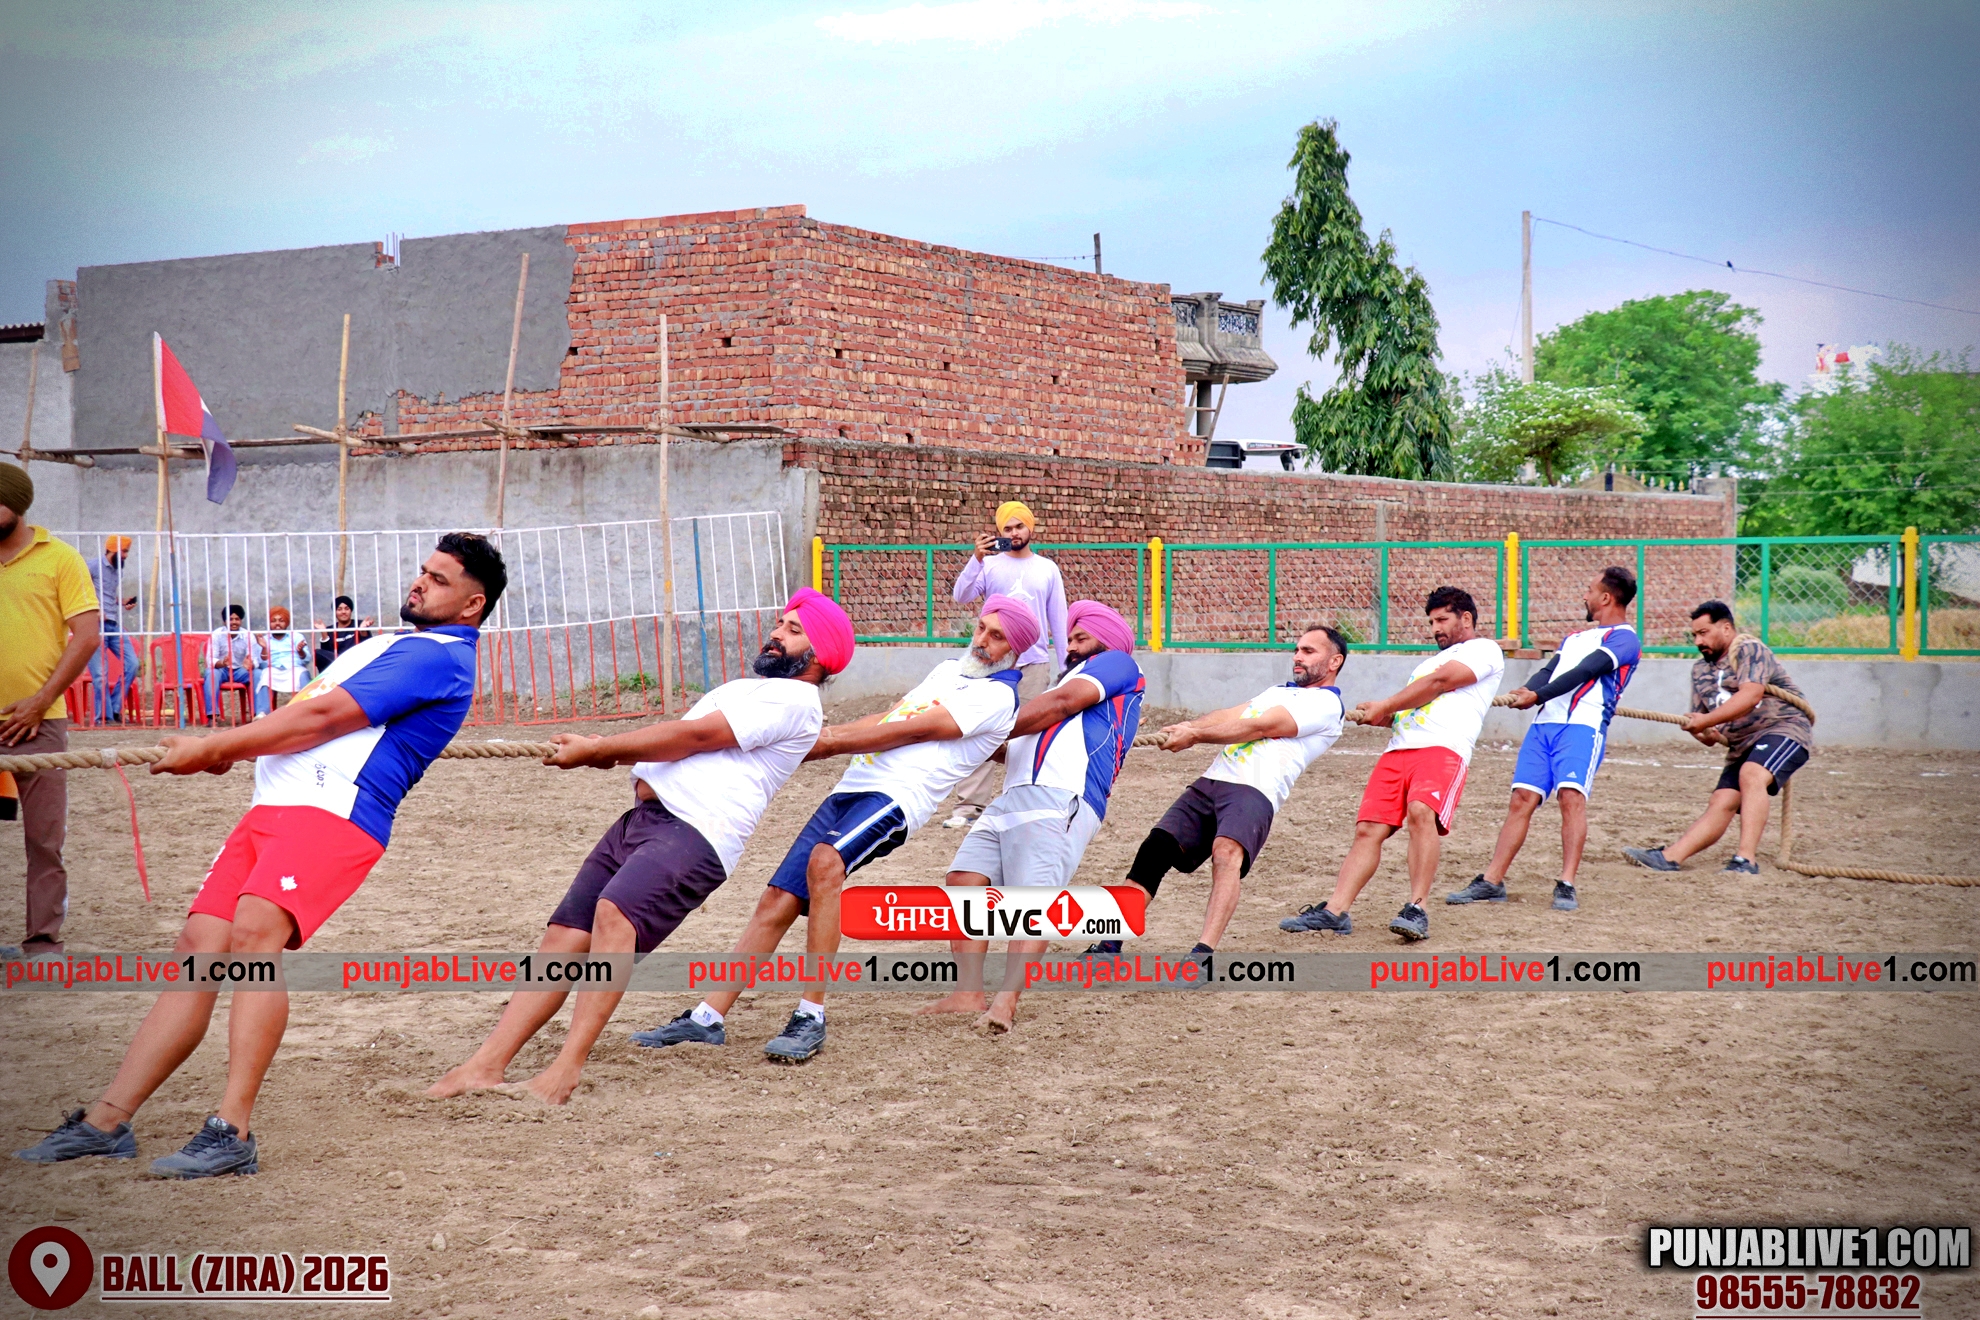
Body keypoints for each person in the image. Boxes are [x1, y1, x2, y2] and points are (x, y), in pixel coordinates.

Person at [16, 533, 504, 1177]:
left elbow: (324, 720)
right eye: (423, 571)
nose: (419, 583)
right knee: (199, 947)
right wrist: (235, 746)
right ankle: (107, 1121)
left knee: (252, 941)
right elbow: (307, 717)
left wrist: (217, 746)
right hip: (275, 808)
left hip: (333, 815)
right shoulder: (396, 645)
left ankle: (232, 1131)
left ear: (472, 605)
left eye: (439, 580)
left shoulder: (440, 656)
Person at [427, 588, 856, 1102]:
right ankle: (486, 1065)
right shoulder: (752, 689)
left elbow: (697, 738)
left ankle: (564, 1070)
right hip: (645, 821)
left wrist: (601, 750)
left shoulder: (794, 701)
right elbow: (682, 738)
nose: (776, 633)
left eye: (793, 630)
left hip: (697, 832)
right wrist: (606, 751)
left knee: (614, 916)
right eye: (780, 623)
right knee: (564, 936)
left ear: (821, 655)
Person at [632, 596, 1032, 1063]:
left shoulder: (998, 696)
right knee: (777, 897)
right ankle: (707, 1017)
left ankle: (811, 1015)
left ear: (1016, 650)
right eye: (981, 628)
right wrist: (821, 737)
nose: (982, 640)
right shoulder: (948, 670)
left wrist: (827, 742)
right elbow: (890, 718)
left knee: (826, 864)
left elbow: (917, 730)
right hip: (851, 787)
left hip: (896, 799)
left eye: (996, 636)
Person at [919, 600, 1144, 1030]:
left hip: (1061, 795)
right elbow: (1017, 744)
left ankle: (1005, 1004)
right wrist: (972, 739)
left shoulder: (1117, 664)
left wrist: (973, 723)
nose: (1070, 647)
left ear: (1108, 642)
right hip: (1013, 793)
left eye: (1080, 638)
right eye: (1069, 638)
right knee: (964, 879)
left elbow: (1061, 704)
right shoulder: (1063, 686)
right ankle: (968, 994)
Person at [1281, 587, 1505, 942]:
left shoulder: (1483, 650)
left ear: (1466, 618)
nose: (1435, 628)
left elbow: (1440, 683)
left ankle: (1417, 908)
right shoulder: (1427, 664)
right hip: (1399, 749)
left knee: (1420, 813)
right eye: (1431, 622)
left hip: (1442, 748)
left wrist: (1385, 705)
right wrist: (1387, 717)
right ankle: (1335, 911)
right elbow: (1418, 704)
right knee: (1368, 829)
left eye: (1442, 619)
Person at [1120, 625, 1349, 965]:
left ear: (1334, 661)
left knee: (1226, 854)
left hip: (1255, 789)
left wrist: (1196, 736)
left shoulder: (1327, 703)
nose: (1298, 657)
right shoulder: (1277, 692)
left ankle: (1202, 955)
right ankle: (1108, 945)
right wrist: (1189, 726)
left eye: (1309, 651)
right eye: (1297, 650)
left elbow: (1261, 726)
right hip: (1213, 780)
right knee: (1155, 849)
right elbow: (1231, 715)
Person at [1447, 566, 1641, 913]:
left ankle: (1566, 883)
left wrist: (1538, 696)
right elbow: (1551, 671)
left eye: (1589, 589)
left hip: (1583, 727)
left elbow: (1585, 672)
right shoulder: (1574, 638)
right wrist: (1527, 689)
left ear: (1605, 597)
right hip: (1544, 726)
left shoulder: (1625, 639)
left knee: (1570, 797)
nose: (1585, 596)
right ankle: (1492, 881)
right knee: (1521, 798)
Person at [1623, 601, 1814, 876]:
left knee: (1752, 774)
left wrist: (1706, 722)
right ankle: (1670, 857)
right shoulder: (1700, 670)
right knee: (1722, 800)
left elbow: (1751, 695)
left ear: (1726, 628)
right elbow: (1707, 728)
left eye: (1704, 633)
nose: (1698, 641)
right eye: (1694, 635)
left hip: (1783, 729)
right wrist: (1702, 731)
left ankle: (1746, 860)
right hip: (1741, 744)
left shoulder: (1749, 648)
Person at [0, 464, 102, 958]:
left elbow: (87, 636)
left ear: (16, 505)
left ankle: (42, 943)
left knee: (44, 840)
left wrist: (40, 702)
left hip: (40, 725)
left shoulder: (60, 558)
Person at [942, 500, 1067, 828]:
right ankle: (969, 806)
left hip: (1034, 663)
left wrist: (1066, 665)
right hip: (991, 662)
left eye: (1019, 526)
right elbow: (961, 596)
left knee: (1028, 734)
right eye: (1007, 528)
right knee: (979, 728)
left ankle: (1024, 803)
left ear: (1030, 528)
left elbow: (1058, 618)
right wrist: (976, 559)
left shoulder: (1047, 569)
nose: (1014, 533)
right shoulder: (990, 565)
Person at [87, 535, 141, 724]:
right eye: (124, 551)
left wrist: (122, 601)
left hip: (114, 623)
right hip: (95, 624)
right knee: (100, 674)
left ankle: (115, 708)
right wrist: (94, 610)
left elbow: (107, 595)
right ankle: (104, 717)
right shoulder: (92, 566)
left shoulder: (118, 570)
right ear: (112, 549)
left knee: (132, 664)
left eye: (127, 551)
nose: (126, 555)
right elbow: (79, 591)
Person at [204, 604, 268, 721]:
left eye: (237, 619)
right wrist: (222, 663)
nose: (234, 622)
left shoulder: (248, 635)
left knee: (258, 674)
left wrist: (250, 665)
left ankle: (259, 714)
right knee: (211, 673)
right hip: (221, 670)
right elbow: (210, 659)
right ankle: (212, 715)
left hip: (241, 670)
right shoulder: (217, 634)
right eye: (230, 619)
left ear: (241, 621)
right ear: (224, 621)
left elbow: (254, 659)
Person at [258, 606, 311, 709]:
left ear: (287, 623)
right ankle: (263, 713)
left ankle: (306, 710)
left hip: (295, 669)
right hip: (273, 670)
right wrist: (264, 649)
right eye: (273, 621)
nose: (277, 624)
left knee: (303, 675)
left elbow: (307, 659)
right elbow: (261, 662)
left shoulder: (297, 636)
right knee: (265, 676)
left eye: (281, 620)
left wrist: (300, 652)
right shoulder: (264, 639)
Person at [314, 595, 375, 674]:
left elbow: (368, 647)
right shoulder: (330, 629)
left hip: (356, 664)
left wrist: (362, 630)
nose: (343, 612)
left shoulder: (359, 624)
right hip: (337, 666)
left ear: (351, 611)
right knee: (317, 653)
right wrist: (324, 633)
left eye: (346, 609)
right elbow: (326, 656)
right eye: (339, 609)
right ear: (335, 612)